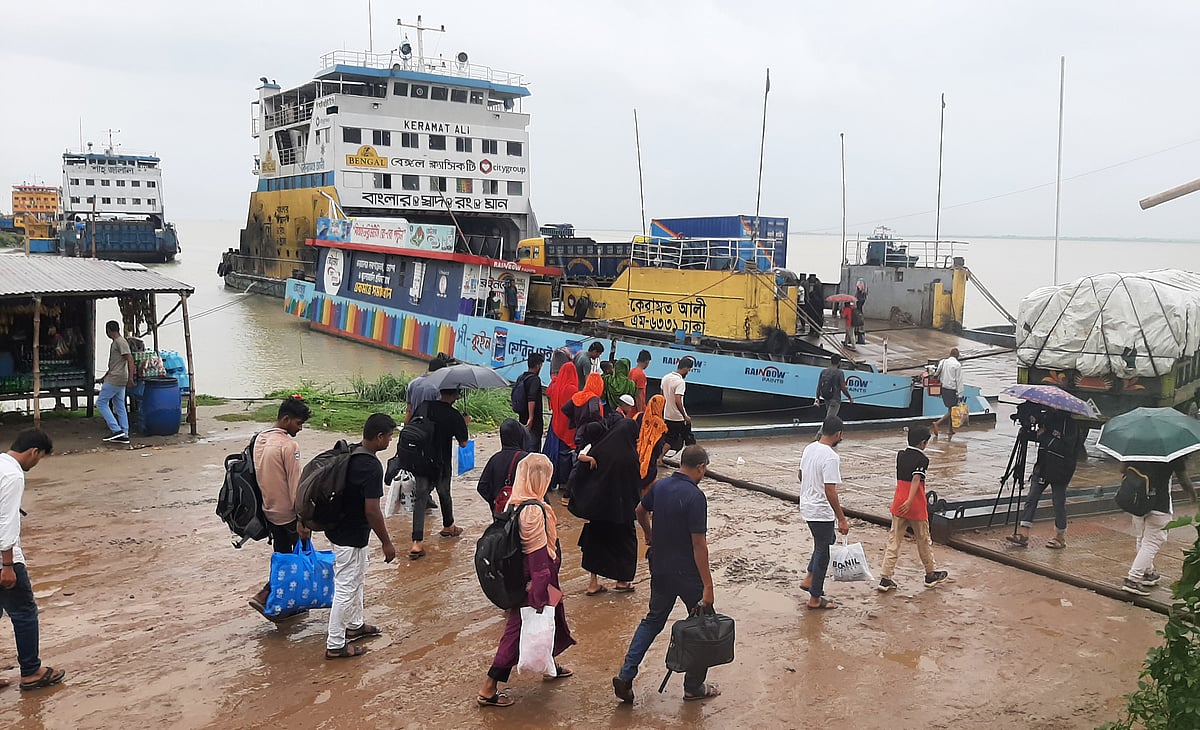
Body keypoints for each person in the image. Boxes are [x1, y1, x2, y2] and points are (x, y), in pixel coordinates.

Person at [612, 444, 718, 704]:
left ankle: (626, 676)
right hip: (687, 573)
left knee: (652, 621)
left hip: (660, 567)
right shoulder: (695, 497)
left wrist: (649, 534)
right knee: (703, 625)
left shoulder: (660, 486)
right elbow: (699, 545)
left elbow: (639, 510)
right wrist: (708, 586)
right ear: (701, 467)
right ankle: (693, 686)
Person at [477, 454, 575, 708]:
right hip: (535, 581)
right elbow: (538, 557)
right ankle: (489, 687)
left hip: (528, 578)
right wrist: (539, 592)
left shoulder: (513, 501)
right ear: (539, 478)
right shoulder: (533, 511)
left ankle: (549, 664)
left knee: (555, 616)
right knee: (518, 629)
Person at [325, 413, 397, 659]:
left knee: (357, 578)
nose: (390, 441)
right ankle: (335, 644)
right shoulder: (371, 466)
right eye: (389, 437)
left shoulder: (352, 453)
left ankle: (354, 625)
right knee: (346, 586)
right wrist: (387, 543)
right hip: (351, 535)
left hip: (340, 530)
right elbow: (372, 510)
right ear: (379, 437)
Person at [0, 429, 66, 691]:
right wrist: (7, 565)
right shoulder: (13, 474)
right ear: (34, 452)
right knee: (25, 613)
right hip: (4, 558)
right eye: (39, 459)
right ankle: (31, 671)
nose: (35, 464)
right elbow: (7, 521)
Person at [248, 397, 313, 620]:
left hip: (269, 510)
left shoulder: (259, 439)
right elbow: (296, 484)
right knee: (293, 560)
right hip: (288, 513)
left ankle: (280, 601)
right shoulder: (289, 445)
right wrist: (303, 518)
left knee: (283, 554)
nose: (300, 428)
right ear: (286, 419)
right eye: (298, 423)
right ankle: (267, 595)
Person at [570, 419, 641, 595]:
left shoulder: (599, 449)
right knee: (626, 544)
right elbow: (635, 485)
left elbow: (581, 474)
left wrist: (584, 502)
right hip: (622, 511)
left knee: (595, 544)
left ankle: (593, 583)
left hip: (597, 509)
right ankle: (622, 582)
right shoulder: (631, 456)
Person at [876, 426, 949, 592]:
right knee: (923, 539)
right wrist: (910, 501)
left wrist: (904, 501)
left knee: (894, 540)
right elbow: (917, 478)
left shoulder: (900, 455)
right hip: (915, 505)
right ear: (923, 443)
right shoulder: (923, 460)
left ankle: (885, 577)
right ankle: (930, 574)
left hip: (898, 502)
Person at [1006, 407, 1080, 550]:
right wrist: (1028, 431)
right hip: (1043, 465)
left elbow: (1066, 448)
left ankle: (1060, 537)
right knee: (1031, 498)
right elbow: (1039, 437)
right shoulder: (1047, 420)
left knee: (1058, 502)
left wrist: (1045, 436)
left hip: (1061, 470)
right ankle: (1023, 534)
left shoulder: (1070, 426)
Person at [409, 388, 470, 559]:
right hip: (441, 462)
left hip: (420, 460)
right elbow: (464, 443)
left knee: (421, 498)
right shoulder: (453, 415)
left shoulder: (424, 406)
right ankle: (448, 526)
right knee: (444, 493)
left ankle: (417, 543)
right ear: (455, 395)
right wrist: (464, 424)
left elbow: (412, 426)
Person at [1119, 458, 1193, 596]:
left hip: (1138, 501)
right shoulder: (1172, 454)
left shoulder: (1136, 446)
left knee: (1141, 539)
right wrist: (1192, 494)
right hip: (1160, 505)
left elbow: (1122, 469)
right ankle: (1133, 579)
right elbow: (1183, 480)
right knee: (1152, 543)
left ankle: (1148, 573)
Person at [798, 416, 850, 610]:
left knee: (826, 540)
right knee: (823, 550)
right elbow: (830, 490)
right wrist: (842, 518)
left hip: (807, 506)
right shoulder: (831, 457)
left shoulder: (809, 448)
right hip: (820, 510)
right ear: (838, 434)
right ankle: (815, 597)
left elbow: (800, 474)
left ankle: (810, 577)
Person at [476, 419, 530, 516]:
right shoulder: (527, 459)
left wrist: (494, 500)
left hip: (500, 515)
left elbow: (482, 487)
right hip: (522, 514)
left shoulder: (495, 458)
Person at [96, 320, 133, 443]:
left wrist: (131, 378)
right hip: (117, 376)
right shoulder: (117, 343)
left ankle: (116, 430)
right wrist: (104, 377)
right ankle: (124, 433)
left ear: (109, 331)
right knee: (120, 405)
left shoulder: (120, 342)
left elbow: (130, 359)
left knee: (101, 403)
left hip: (116, 378)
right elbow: (115, 365)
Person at [661, 356, 696, 453]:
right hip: (677, 417)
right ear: (685, 369)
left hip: (667, 415)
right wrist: (684, 415)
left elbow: (662, 396)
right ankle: (693, 457)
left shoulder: (665, 378)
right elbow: (678, 400)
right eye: (688, 370)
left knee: (669, 437)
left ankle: (659, 457)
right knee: (686, 438)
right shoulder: (680, 382)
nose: (688, 372)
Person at [635, 394, 669, 494]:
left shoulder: (639, 416)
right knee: (647, 492)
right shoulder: (660, 425)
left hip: (634, 458)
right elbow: (659, 447)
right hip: (649, 463)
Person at [512, 353, 545, 451]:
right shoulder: (535, 380)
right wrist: (531, 417)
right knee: (533, 445)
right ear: (538, 366)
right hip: (534, 420)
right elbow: (532, 398)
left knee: (524, 442)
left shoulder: (521, 377)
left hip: (522, 416)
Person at [405, 356, 448, 424]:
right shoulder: (438, 387)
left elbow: (409, 410)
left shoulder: (412, 383)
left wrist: (406, 428)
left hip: (414, 424)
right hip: (430, 426)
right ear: (441, 371)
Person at [931, 348, 962, 437]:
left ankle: (950, 429)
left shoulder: (943, 361)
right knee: (952, 410)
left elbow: (937, 373)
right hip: (952, 389)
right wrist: (960, 394)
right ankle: (937, 423)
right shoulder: (957, 365)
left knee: (950, 409)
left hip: (944, 388)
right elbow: (959, 380)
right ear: (957, 356)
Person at [816, 354, 853, 419]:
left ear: (830, 361)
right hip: (835, 399)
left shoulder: (824, 371)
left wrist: (817, 398)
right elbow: (843, 388)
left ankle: (828, 429)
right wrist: (850, 397)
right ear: (839, 362)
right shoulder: (840, 373)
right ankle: (822, 429)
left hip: (826, 398)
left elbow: (819, 386)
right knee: (830, 419)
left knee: (829, 416)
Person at [630, 350, 651, 415]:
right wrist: (640, 412)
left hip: (630, 407)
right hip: (636, 409)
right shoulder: (641, 375)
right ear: (647, 362)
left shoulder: (631, 371)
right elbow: (638, 395)